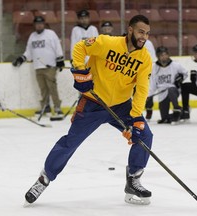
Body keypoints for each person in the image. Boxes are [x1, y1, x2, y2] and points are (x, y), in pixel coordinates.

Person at [25, 15, 153, 205]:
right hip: (93, 103)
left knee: (144, 135)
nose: (144, 37)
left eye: (148, 34)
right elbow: (80, 47)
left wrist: (136, 119)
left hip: (121, 105)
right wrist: (80, 72)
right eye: (141, 32)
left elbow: (142, 89)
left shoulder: (144, 58)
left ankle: (133, 179)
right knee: (71, 142)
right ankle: (44, 178)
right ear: (131, 29)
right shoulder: (107, 42)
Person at [12, 16, 65, 120]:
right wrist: (21, 59)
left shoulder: (50, 34)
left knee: (52, 87)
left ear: (44, 24)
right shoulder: (32, 36)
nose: (39, 25)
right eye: (37, 24)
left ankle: (57, 108)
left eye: (41, 23)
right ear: (34, 25)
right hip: (38, 66)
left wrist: (60, 59)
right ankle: (46, 107)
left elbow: (57, 47)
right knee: (43, 88)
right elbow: (29, 52)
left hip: (50, 66)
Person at [146, 46, 188, 123]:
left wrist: (180, 79)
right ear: (158, 57)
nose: (164, 57)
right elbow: (152, 84)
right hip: (162, 93)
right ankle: (184, 113)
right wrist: (149, 95)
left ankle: (176, 110)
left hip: (173, 90)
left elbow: (185, 73)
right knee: (164, 118)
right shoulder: (153, 67)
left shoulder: (175, 65)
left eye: (165, 54)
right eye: (162, 55)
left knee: (170, 89)